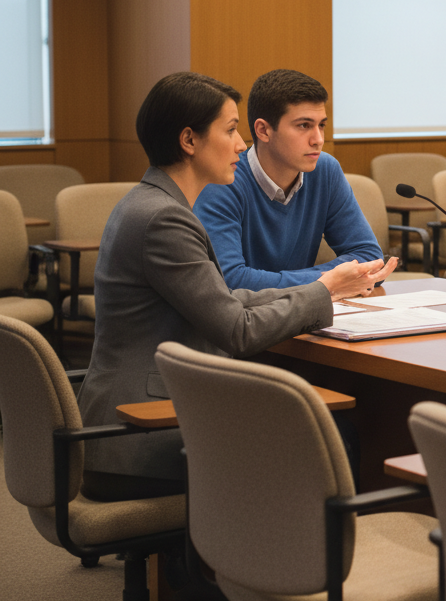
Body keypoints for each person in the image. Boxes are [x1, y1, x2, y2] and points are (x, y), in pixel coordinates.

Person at [76, 72, 396, 502]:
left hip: (147, 414)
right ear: (189, 141)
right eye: (230, 131)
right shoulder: (164, 219)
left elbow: (226, 297)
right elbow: (237, 329)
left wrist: (325, 291)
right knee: (332, 435)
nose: (242, 144)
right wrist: (322, 290)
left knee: (325, 424)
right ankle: (286, 566)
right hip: (141, 432)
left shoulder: (152, 203)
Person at [194, 69, 381, 290]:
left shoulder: (325, 170)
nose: (318, 140)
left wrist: (317, 283)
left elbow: (370, 259)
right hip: (248, 320)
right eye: (304, 126)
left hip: (305, 315)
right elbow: (229, 280)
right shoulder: (223, 180)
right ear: (263, 130)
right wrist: (329, 281)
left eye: (321, 125)